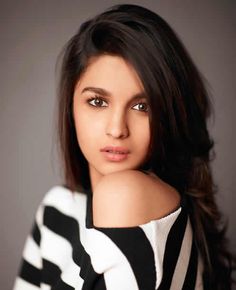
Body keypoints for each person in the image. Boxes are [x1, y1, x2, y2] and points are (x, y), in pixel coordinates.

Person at [13, 4, 235, 290]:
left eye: (143, 106)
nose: (117, 129)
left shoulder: (127, 195)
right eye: (97, 102)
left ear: (170, 114)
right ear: (71, 106)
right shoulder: (57, 209)